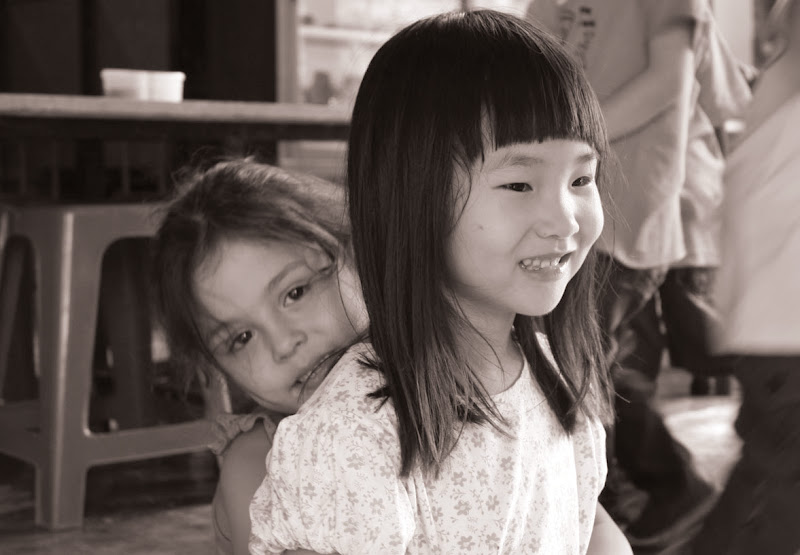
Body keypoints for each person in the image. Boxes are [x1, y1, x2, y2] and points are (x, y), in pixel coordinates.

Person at [249, 9, 631, 554]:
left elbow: (585, 528)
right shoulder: (358, 432)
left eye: (581, 178)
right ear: (414, 198)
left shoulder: (552, 376)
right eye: (519, 184)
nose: (565, 220)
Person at [525, 0, 751, 546]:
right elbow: (526, 65)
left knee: (578, 362)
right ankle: (665, 489)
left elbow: (669, 82)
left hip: (624, 212)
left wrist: (565, 143)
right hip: (561, 205)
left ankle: (622, 500)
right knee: (592, 361)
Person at [150, 158, 368, 555]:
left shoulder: (453, 387)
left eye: (295, 293)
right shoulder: (258, 472)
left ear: (355, 255)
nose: (283, 343)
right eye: (242, 338)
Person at [692, 0, 800, 552]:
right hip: (785, 340)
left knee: (769, 478)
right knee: (777, 490)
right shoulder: (785, 117)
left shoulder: (777, 100)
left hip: (774, 336)